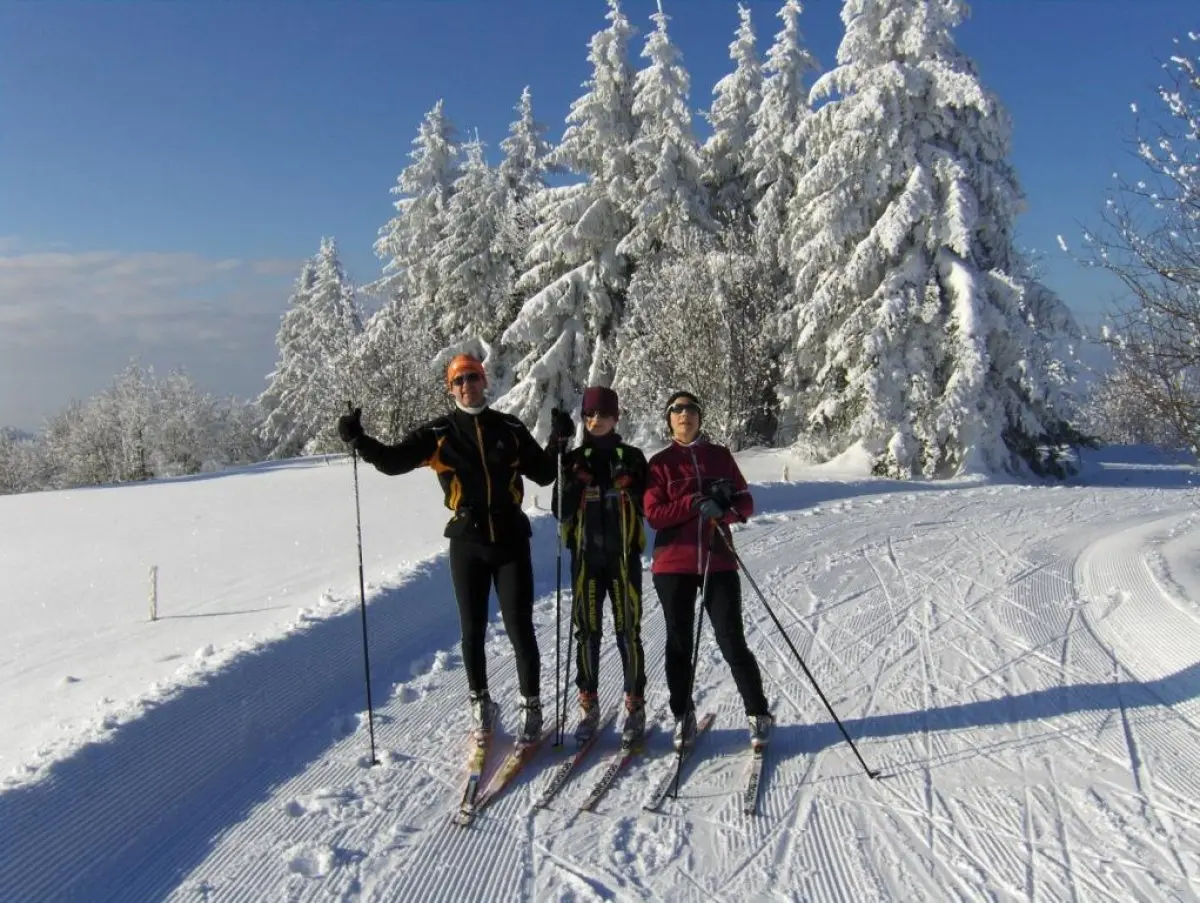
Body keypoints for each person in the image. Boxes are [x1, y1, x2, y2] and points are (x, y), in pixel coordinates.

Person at [336, 353, 573, 747]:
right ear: (451, 389)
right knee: (472, 630)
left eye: (472, 378)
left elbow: (545, 473)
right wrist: (359, 440)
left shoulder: (509, 427)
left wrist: (557, 442)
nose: (467, 386)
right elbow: (393, 461)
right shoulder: (439, 433)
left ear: (484, 381)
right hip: (468, 542)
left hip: (511, 539)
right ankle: (481, 703)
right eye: (459, 381)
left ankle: (531, 706)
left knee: (520, 628)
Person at [643, 390, 773, 751]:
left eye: (691, 409)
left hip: (718, 560)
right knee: (679, 643)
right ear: (669, 419)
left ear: (700, 417)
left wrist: (725, 511)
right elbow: (654, 515)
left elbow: (745, 500)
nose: (684, 414)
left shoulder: (719, 456)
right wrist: (692, 503)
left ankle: (758, 713)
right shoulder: (660, 464)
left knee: (731, 639)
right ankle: (683, 715)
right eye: (676, 410)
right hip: (673, 565)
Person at [552, 386, 649, 747]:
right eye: (590, 414)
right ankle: (588, 704)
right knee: (587, 633)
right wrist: (572, 478)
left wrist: (631, 484)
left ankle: (635, 705)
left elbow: (649, 506)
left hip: (623, 559)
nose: (596, 421)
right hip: (586, 560)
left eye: (604, 414)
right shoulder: (575, 458)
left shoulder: (633, 456)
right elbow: (559, 511)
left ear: (616, 417)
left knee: (628, 633)